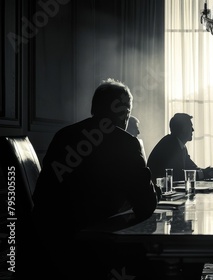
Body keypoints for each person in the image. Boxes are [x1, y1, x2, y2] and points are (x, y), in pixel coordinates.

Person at [31, 78, 159, 279]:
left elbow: (41, 195)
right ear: (126, 113)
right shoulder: (127, 143)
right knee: (154, 259)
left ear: (94, 108)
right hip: (96, 248)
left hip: (47, 245)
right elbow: (146, 205)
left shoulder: (63, 135)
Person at [147, 113, 213, 182]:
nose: (193, 130)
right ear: (184, 129)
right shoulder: (170, 146)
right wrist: (204, 174)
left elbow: (191, 167)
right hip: (159, 191)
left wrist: (210, 171)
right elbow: (177, 175)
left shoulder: (178, 144)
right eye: (190, 126)